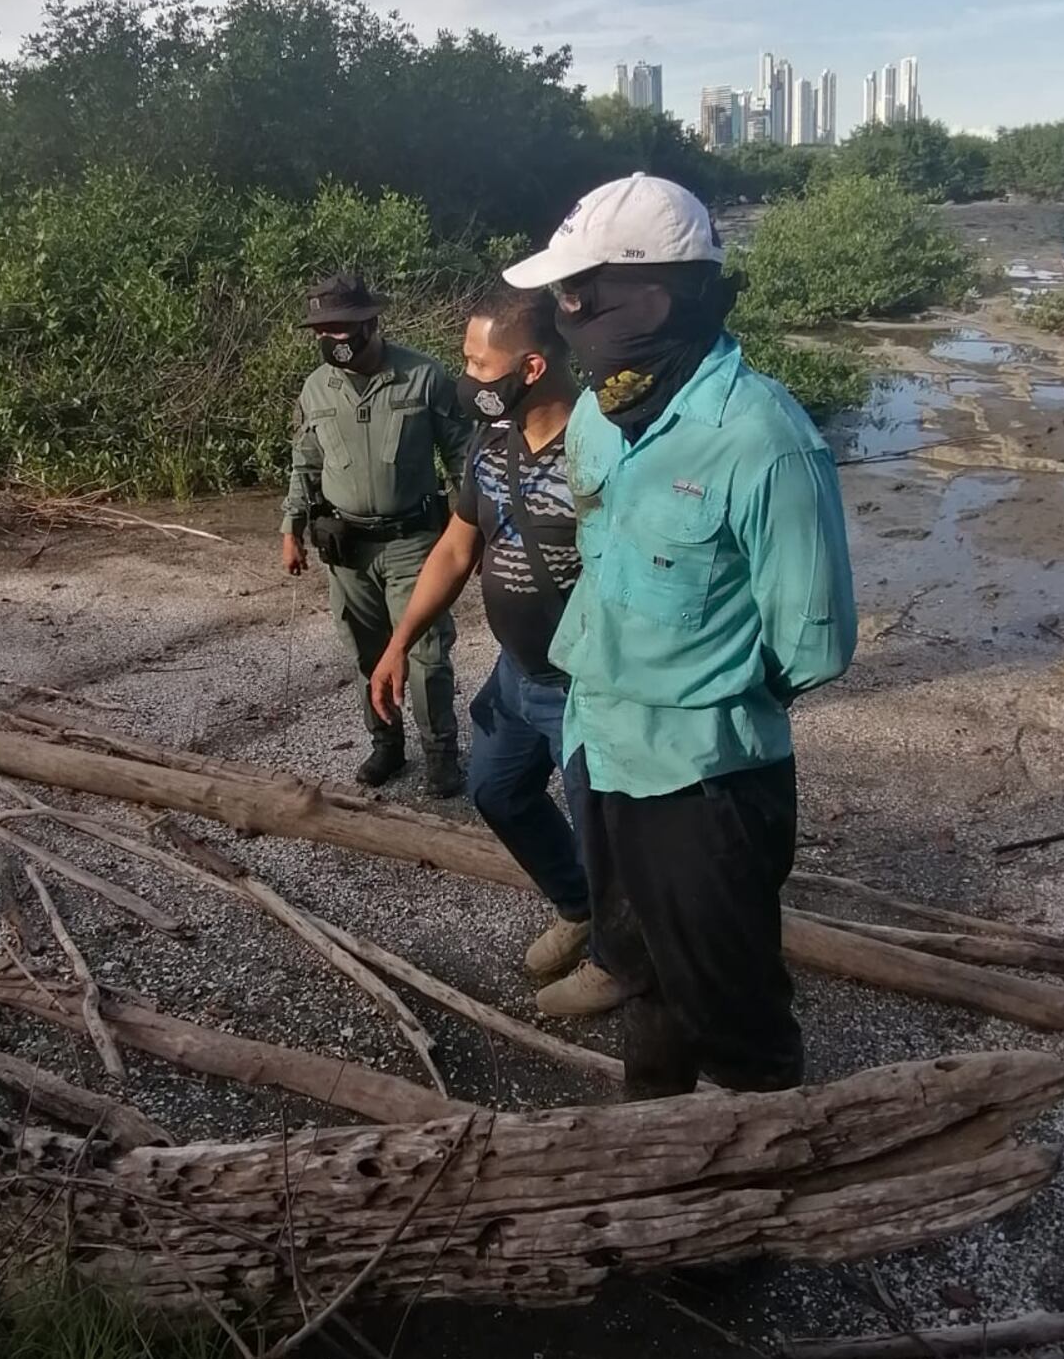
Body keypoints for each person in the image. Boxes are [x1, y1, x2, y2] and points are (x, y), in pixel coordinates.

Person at [503, 172, 857, 1098]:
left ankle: (746, 1215)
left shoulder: (763, 439)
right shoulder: (597, 415)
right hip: (598, 747)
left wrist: (702, 689)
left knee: (735, 1019)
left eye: (582, 293)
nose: (567, 312)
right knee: (641, 981)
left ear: (659, 293)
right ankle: (658, 1152)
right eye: (561, 297)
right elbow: (597, 546)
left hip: (703, 783)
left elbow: (813, 648)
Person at [370, 286, 625, 1015]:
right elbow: (457, 546)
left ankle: (617, 959)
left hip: (590, 686)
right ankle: (577, 907)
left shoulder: (602, 448)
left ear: (534, 366)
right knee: (496, 790)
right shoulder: (491, 442)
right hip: (517, 677)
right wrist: (399, 643)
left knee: (606, 831)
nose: (467, 378)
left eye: (479, 363)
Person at [281, 273, 473, 797]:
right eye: (323, 329)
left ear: (372, 323)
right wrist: (291, 527)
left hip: (413, 539)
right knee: (367, 652)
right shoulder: (317, 387)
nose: (333, 338)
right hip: (348, 546)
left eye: (344, 327)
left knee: (426, 652)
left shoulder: (424, 376)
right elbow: (305, 461)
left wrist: (474, 525)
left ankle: (440, 754)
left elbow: (462, 454)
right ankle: (387, 744)